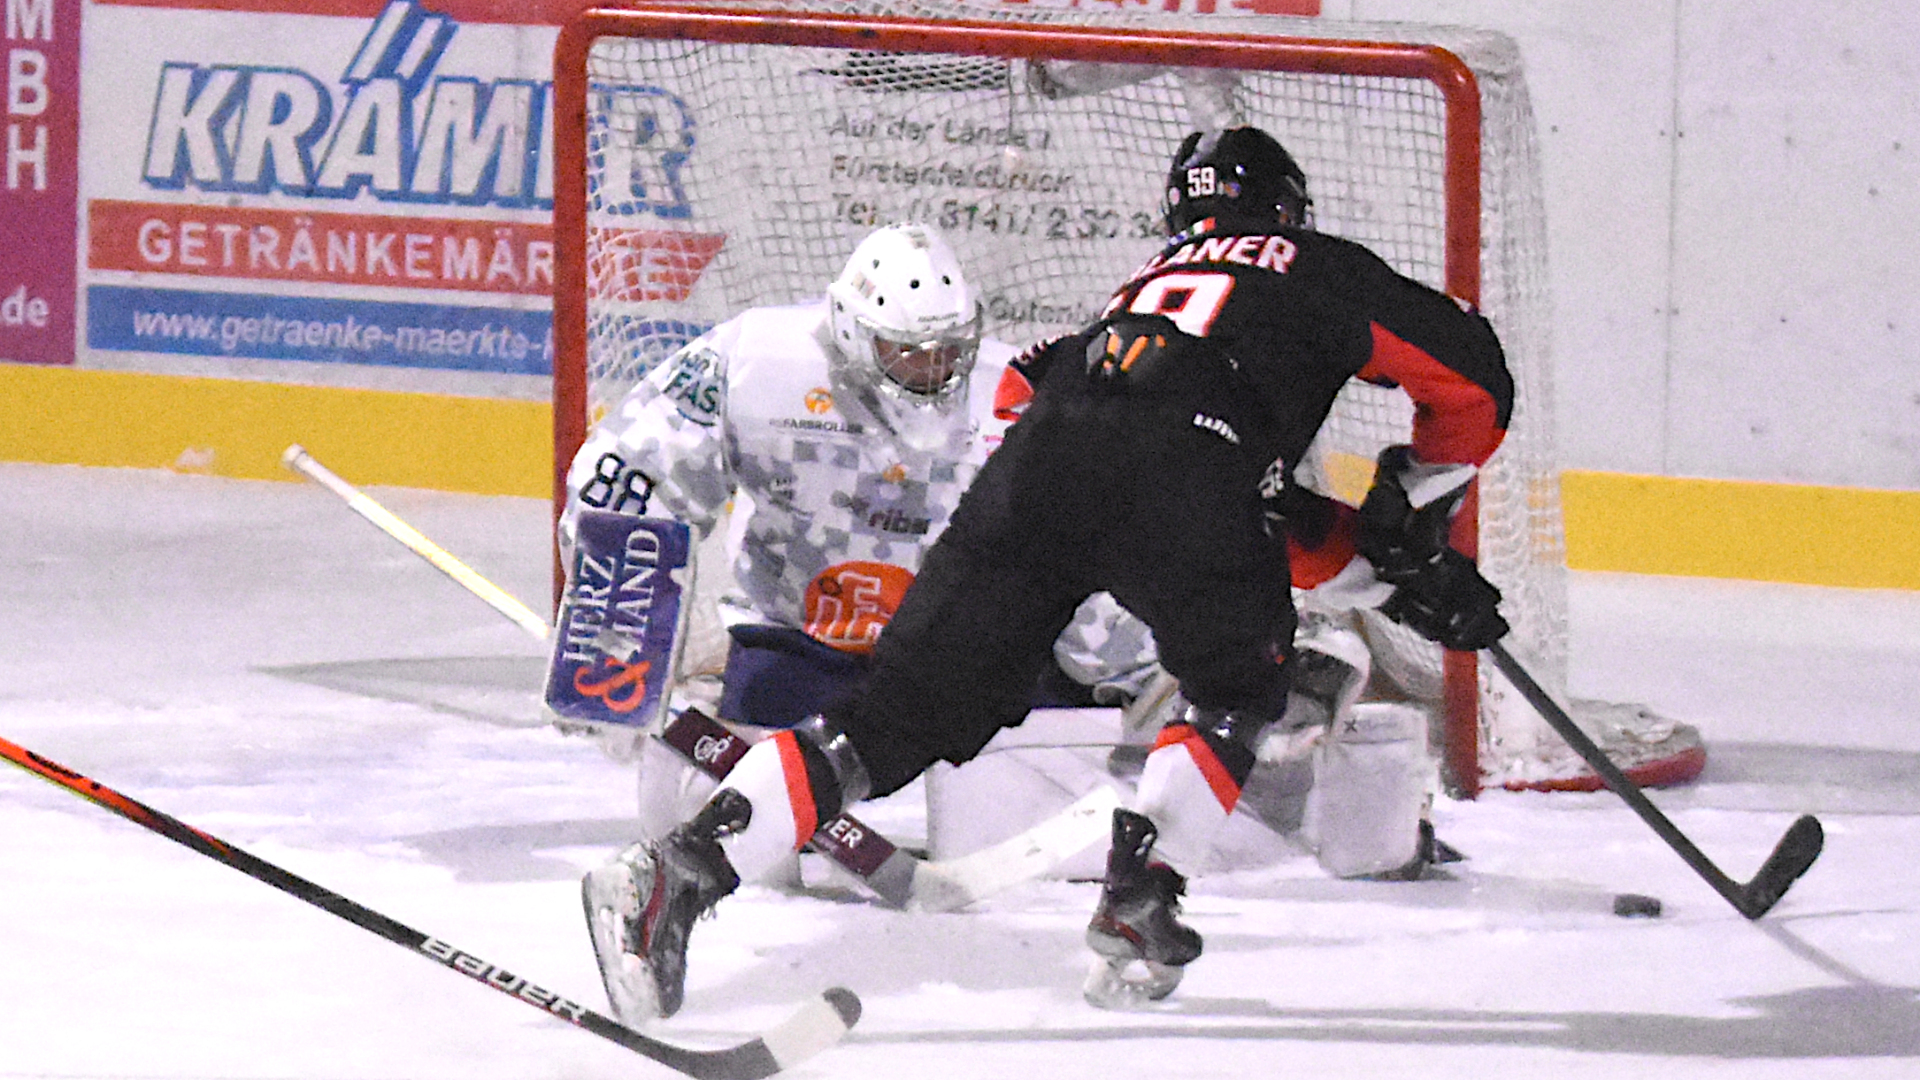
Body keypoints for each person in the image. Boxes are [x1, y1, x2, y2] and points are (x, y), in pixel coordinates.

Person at [588, 127, 1515, 1021]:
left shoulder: (1138, 297)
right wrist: (1416, 501)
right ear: (1288, 212)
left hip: (1038, 464)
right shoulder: (1314, 267)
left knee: (890, 721)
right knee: (1236, 688)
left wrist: (1391, 571)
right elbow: (1473, 383)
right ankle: (1139, 901)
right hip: (1184, 478)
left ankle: (672, 874)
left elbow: (1174, 469)